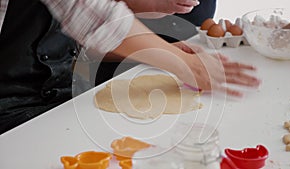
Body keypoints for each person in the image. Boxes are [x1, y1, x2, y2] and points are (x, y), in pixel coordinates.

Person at [0, 0, 260, 134]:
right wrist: (184, 63)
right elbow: (88, 11)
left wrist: (155, 50)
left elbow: (80, 38)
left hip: (61, 103)